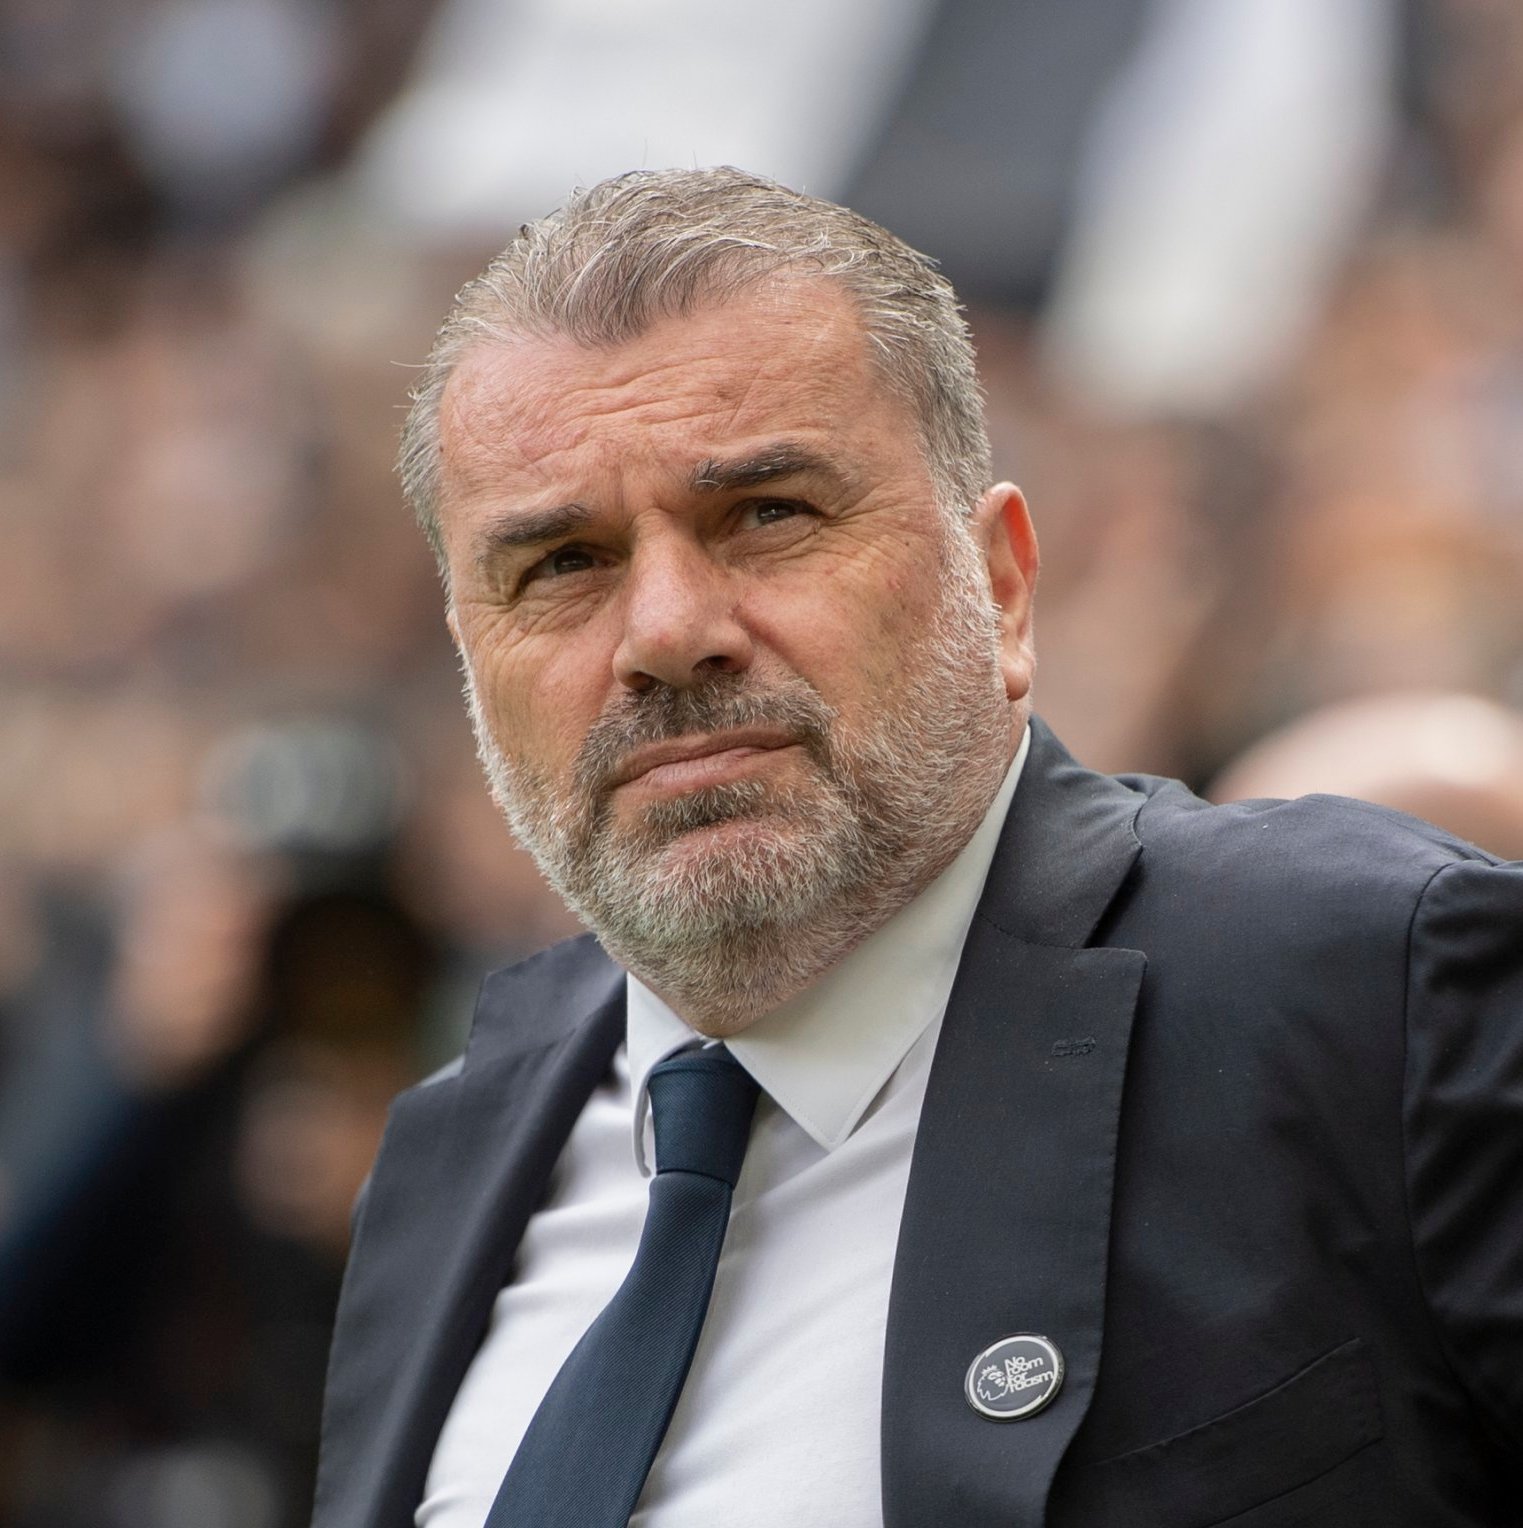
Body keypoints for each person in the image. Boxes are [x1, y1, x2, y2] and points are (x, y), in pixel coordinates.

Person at [312, 168, 1523, 1527]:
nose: (663, 630)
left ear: (1000, 587)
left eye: (767, 514)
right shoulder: (450, 1146)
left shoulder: (1369, 990)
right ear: (475, 667)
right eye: (562, 565)